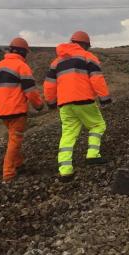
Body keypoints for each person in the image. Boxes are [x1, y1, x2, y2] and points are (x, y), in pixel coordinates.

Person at [44, 31, 112, 182]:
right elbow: (97, 79)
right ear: (85, 45)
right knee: (97, 125)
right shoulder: (88, 57)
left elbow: (49, 85)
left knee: (68, 134)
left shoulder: (56, 62)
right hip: (84, 100)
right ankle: (92, 155)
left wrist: (50, 102)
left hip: (65, 104)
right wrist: (104, 98)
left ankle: (65, 170)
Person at [0, 37, 43, 183]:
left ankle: (18, 164)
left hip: (2, 112)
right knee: (15, 140)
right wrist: (38, 105)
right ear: (24, 52)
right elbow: (30, 90)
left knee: (13, 137)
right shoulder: (21, 66)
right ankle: (8, 174)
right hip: (16, 111)